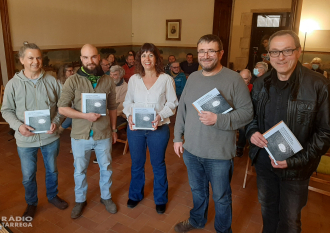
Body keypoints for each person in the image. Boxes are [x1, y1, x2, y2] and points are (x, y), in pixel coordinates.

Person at [245, 30, 330, 233]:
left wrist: (293, 161)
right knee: (267, 212)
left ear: (299, 51)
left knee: (290, 221)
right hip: (265, 163)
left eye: (287, 51)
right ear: (268, 55)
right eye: (275, 52)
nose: (280, 57)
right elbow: (250, 118)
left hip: (297, 167)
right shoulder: (260, 83)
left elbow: (326, 132)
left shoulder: (319, 84)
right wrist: (251, 131)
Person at [173, 34, 253, 233]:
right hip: (192, 150)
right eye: (202, 51)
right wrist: (177, 137)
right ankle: (197, 220)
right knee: (198, 191)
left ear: (221, 53)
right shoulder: (193, 79)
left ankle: (223, 230)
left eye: (211, 51)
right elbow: (182, 109)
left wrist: (219, 120)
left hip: (219, 154)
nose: (206, 55)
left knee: (221, 197)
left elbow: (247, 113)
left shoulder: (234, 79)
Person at [1, 43, 68, 221]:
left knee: (52, 170)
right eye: (30, 58)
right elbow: (6, 110)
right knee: (28, 175)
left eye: (38, 57)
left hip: (50, 137)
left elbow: (62, 106)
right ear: (22, 60)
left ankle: (52, 196)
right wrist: (18, 126)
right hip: (25, 140)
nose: (35, 61)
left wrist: (55, 122)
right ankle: (31, 203)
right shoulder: (12, 84)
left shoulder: (52, 81)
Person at [58, 44, 118, 218]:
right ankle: (80, 199)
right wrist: (85, 116)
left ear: (98, 58)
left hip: (103, 133)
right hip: (80, 135)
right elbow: (62, 108)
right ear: (81, 59)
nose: (90, 61)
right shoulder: (73, 81)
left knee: (106, 167)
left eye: (93, 57)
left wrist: (114, 129)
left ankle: (106, 197)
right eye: (85, 57)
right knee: (80, 170)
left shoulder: (107, 80)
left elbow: (113, 107)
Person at [123, 43, 178, 214]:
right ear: (140, 58)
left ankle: (160, 198)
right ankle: (135, 195)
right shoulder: (134, 80)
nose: (147, 58)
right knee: (137, 163)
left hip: (158, 129)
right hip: (136, 129)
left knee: (158, 164)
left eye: (151, 55)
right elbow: (127, 103)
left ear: (157, 58)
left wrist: (160, 115)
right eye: (144, 55)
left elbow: (172, 103)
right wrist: (129, 115)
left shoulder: (166, 79)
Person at [236, 69, 253, 157]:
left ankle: (240, 147)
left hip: (245, 114)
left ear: (250, 78)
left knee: (243, 128)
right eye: (241, 78)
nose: (243, 81)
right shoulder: (235, 87)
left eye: (245, 79)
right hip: (234, 112)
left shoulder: (253, 88)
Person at [56, 64, 75, 134]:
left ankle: (62, 127)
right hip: (61, 105)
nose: (72, 72)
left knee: (77, 108)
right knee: (74, 111)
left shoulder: (73, 81)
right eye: (69, 71)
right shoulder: (58, 83)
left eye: (72, 70)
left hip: (71, 104)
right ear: (64, 72)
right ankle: (62, 127)